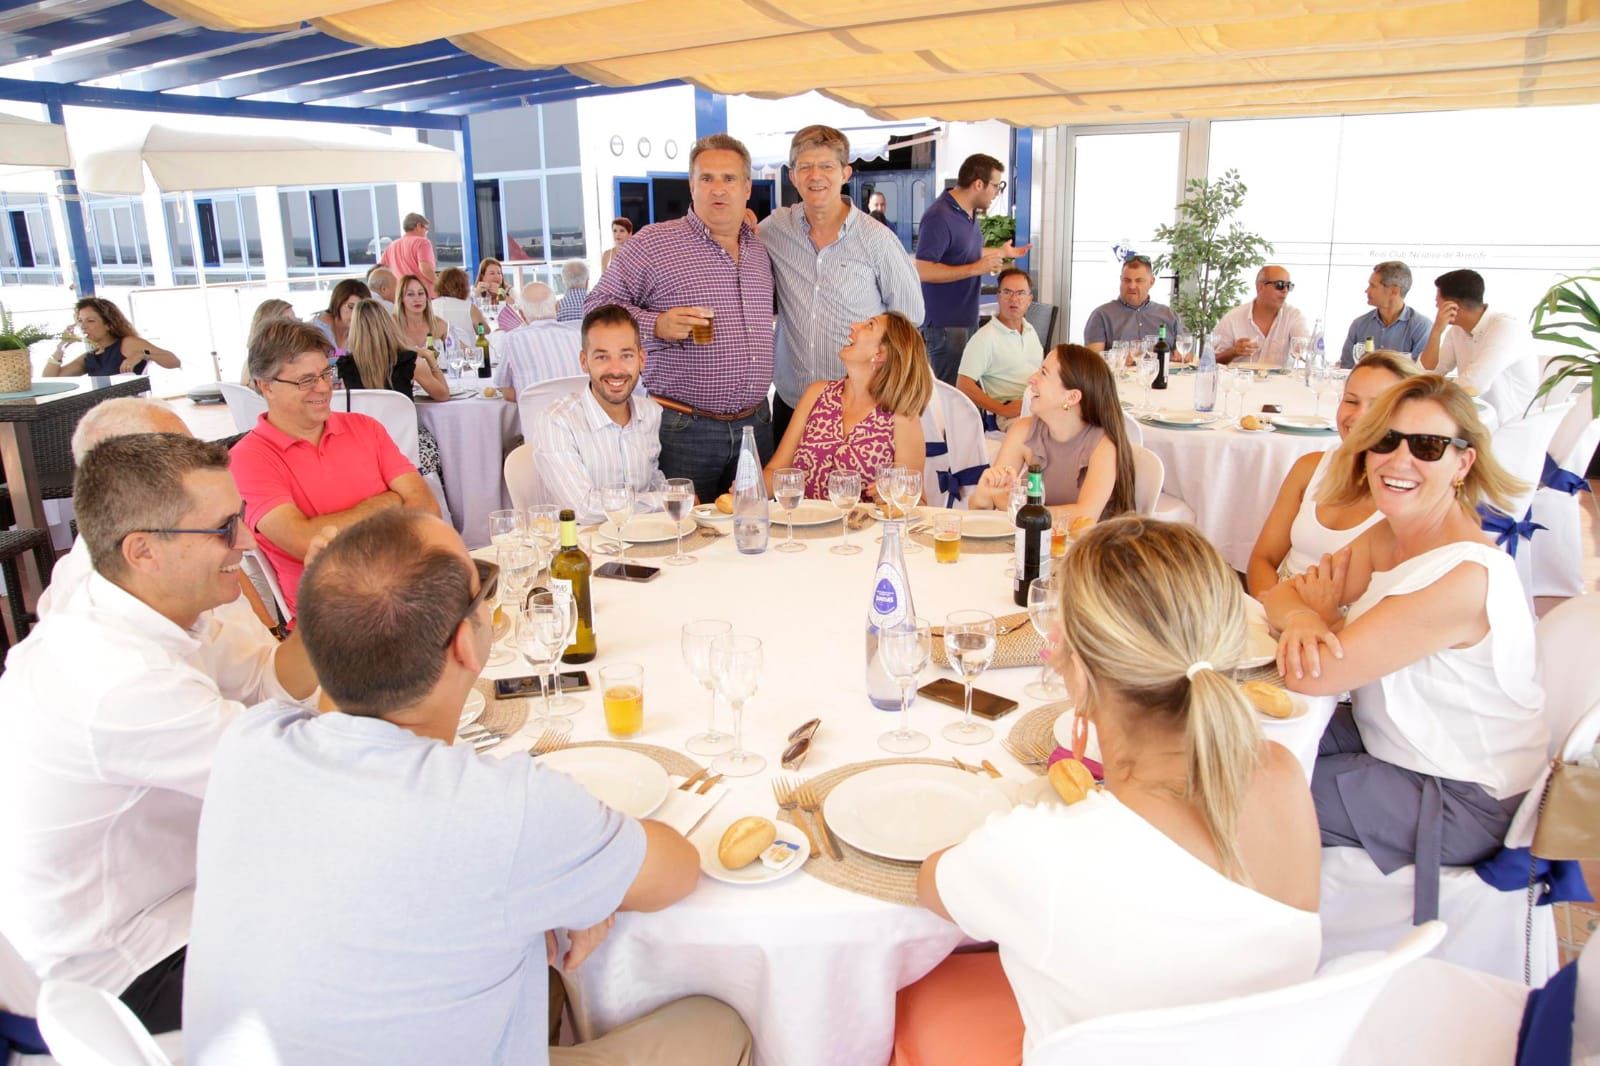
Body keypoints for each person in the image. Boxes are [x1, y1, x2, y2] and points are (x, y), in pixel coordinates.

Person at [183, 508, 753, 1065]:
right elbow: (674, 871)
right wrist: (582, 871)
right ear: (466, 642)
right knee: (718, 1023)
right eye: (483, 586)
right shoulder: (506, 810)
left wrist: (567, 873)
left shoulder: (249, 744)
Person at [894, 517, 1320, 1063]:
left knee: (905, 991)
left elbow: (933, 882)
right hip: (1249, 1048)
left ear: (1081, 673)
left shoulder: (1040, 851)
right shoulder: (1283, 774)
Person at [0, 433, 321, 1036]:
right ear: (144, 549)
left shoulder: (143, 609)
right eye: (225, 528)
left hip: (181, 901)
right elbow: (302, 784)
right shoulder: (118, 679)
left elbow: (265, 681)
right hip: (122, 973)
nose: (247, 542)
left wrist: (333, 604)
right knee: (413, 940)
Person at [1264, 374, 1544, 924]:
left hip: (1459, 793)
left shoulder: (1463, 575)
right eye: (1386, 441)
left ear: (1463, 463)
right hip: (1393, 739)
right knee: (1231, 732)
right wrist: (1304, 614)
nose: (1399, 459)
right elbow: (1279, 595)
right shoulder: (1391, 534)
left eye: (1428, 446)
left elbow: (1311, 675)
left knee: (1242, 791)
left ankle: (1271, 946)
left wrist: (1319, 618)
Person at [586, 133, 776, 505]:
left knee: (755, 535)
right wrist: (654, 324)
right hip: (683, 428)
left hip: (756, 425)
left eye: (729, 178)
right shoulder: (654, 243)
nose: (717, 189)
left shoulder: (759, 249)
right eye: (706, 178)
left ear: (747, 188)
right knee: (683, 540)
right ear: (692, 185)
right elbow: (596, 306)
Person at [230, 319, 438, 619]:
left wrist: (336, 525)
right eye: (305, 380)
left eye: (327, 373)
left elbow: (428, 510)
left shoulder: (364, 428)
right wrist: (387, 502)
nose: (324, 387)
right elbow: (305, 542)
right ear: (266, 386)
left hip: (411, 586)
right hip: (334, 616)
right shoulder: (249, 459)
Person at [35, 398, 275, 636]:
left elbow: (253, 656)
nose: (200, 461)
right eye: (179, 457)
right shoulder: (110, 622)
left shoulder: (192, 540)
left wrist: (275, 634)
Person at [759, 125, 924, 444]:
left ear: (845, 173)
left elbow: (909, 320)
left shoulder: (877, 240)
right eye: (805, 166)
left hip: (859, 407)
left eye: (826, 166)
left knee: (847, 495)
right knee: (786, 490)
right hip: (792, 404)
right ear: (792, 176)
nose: (815, 175)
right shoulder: (775, 230)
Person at [1246, 350, 1420, 595]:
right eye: (1351, 400)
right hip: (1279, 606)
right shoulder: (1309, 468)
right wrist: (1277, 608)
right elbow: (1263, 559)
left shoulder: (1409, 496)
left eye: (1378, 406)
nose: (1359, 416)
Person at [763, 311, 931, 501]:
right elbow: (777, 471)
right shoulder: (816, 394)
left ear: (881, 353)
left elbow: (920, 502)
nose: (854, 326)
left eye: (869, 326)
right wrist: (750, 490)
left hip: (865, 530)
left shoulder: (901, 416)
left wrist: (895, 496)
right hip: (805, 526)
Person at [528, 305, 668, 523]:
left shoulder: (651, 413)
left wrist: (670, 494)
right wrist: (664, 501)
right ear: (584, 362)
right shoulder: (556, 421)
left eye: (626, 356)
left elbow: (653, 481)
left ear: (642, 359)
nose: (616, 369)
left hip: (642, 543)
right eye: (602, 357)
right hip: (579, 550)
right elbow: (583, 509)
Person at [967, 344, 1136, 524]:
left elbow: (1085, 516)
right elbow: (990, 503)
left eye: (1044, 373)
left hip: (1086, 548)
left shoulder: (1103, 446)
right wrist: (983, 496)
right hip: (1031, 543)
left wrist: (1017, 507)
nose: (1031, 379)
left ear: (1071, 397)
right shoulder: (1022, 431)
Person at [915, 153, 1027, 386]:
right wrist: (975, 269)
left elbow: (965, 253)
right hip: (946, 324)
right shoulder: (939, 216)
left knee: (968, 390)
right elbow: (923, 270)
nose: (997, 192)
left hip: (966, 318)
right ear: (978, 183)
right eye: (996, 186)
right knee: (953, 396)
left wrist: (1001, 252)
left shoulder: (968, 213)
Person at [337, 300, 447, 477]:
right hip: (408, 449)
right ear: (388, 325)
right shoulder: (408, 361)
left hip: (365, 450)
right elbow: (442, 394)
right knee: (441, 442)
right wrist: (430, 359)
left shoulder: (345, 366)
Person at [1420, 269, 1536, 424]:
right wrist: (1436, 332)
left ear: (1453, 306)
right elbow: (1428, 372)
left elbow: (1472, 385)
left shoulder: (1506, 327)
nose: (1436, 304)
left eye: (1438, 302)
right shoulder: (1457, 331)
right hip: (1475, 419)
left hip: (1507, 425)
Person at [956, 267, 1043, 426]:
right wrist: (1002, 410)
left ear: (1030, 299)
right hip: (1012, 414)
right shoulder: (984, 339)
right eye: (1007, 292)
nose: (1014, 299)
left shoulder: (1030, 330)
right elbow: (963, 385)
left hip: (1038, 406)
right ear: (998, 296)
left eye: (1020, 293)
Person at [44, 297, 180, 377]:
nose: (83, 326)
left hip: (129, 412)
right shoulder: (89, 357)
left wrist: (143, 354)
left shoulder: (127, 344)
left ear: (108, 324)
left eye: (90, 321)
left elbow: (174, 361)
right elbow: (51, 380)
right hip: (103, 414)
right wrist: (60, 348)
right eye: (80, 321)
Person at [493, 282, 583, 404]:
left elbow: (506, 390)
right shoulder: (579, 337)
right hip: (581, 419)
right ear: (557, 307)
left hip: (536, 420)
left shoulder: (512, 340)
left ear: (522, 314)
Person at [1338, 260, 1432, 367]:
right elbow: (1346, 368)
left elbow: (1420, 372)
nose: (1367, 290)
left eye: (1373, 286)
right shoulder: (1359, 324)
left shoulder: (1421, 326)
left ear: (1394, 291)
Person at [1213, 265, 1310, 366]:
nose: (1285, 290)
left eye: (1288, 286)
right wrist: (1233, 352)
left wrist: (1303, 348)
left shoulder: (1294, 316)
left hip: (1279, 381)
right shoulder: (1232, 318)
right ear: (1260, 287)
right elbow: (1211, 360)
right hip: (1241, 379)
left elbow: (1306, 347)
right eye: (1280, 285)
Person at [1082, 255, 1179, 353]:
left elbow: (1184, 353)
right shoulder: (1101, 315)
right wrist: (1120, 359)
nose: (1132, 286)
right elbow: (1094, 362)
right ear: (1121, 280)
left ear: (1151, 282)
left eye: (1139, 281)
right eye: (1127, 280)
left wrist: (1181, 355)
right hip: (1119, 368)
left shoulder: (1169, 315)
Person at [379, 212, 436, 294]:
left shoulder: (392, 246)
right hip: (423, 293)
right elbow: (425, 269)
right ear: (419, 226)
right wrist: (440, 284)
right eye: (426, 229)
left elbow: (380, 269)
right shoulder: (422, 242)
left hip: (402, 293)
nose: (426, 233)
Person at [393, 272, 451, 353]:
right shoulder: (391, 326)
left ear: (426, 297)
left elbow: (460, 353)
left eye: (420, 293)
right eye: (410, 294)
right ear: (401, 298)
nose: (417, 299)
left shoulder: (439, 324)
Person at [307, 279, 370, 352]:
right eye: (351, 307)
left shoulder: (361, 330)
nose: (356, 314)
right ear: (338, 303)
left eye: (362, 308)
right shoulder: (316, 331)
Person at [431, 266, 489, 341]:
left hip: (437, 351)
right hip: (466, 350)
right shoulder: (469, 307)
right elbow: (485, 330)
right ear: (464, 287)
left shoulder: (430, 305)